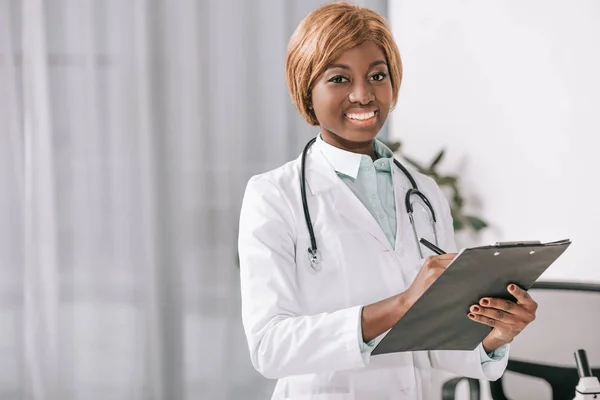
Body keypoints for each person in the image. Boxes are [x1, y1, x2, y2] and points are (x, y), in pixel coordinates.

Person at [238, 3, 538, 399]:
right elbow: (269, 348)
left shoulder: (425, 193)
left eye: (377, 76)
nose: (363, 95)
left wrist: (496, 333)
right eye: (339, 78)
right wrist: (399, 305)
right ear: (306, 90)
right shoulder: (274, 196)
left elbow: (436, 344)